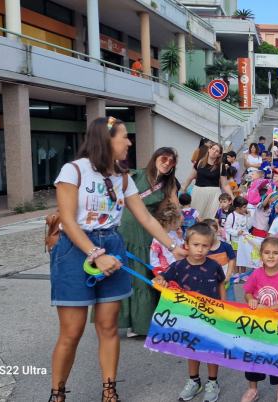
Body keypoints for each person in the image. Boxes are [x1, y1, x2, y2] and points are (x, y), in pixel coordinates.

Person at [49, 117, 180, 402]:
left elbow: (144, 215)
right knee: (72, 331)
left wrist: (173, 245)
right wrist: (96, 255)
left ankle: (109, 389)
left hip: (111, 242)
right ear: (106, 140)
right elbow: (68, 222)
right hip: (76, 248)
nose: (129, 143)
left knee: (108, 326)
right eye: (124, 137)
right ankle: (57, 393)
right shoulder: (73, 171)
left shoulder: (121, 176)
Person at [153, 223, 226, 402]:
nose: (200, 249)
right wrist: (161, 280)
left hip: (211, 316)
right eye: (196, 244)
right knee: (191, 349)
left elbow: (221, 284)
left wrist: (224, 307)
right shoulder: (178, 266)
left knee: (210, 349)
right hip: (188, 318)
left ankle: (212, 382)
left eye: (204, 246)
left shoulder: (214, 266)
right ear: (186, 244)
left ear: (210, 246)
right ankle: (194, 381)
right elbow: (161, 277)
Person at [116, 147, 182, 337]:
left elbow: (174, 209)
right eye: (164, 158)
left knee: (143, 277)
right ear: (155, 158)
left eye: (172, 161)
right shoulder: (135, 176)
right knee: (124, 275)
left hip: (146, 234)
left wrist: (179, 224)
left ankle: (140, 324)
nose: (167, 162)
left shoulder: (168, 186)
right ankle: (119, 320)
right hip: (125, 231)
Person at [241, 237, 278, 402]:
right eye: (267, 253)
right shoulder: (257, 273)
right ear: (261, 255)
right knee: (254, 355)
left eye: (275, 253)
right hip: (258, 325)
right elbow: (248, 292)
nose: (271, 256)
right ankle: (252, 389)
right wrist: (250, 299)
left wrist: (271, 309)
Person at [183, 142, 228, 219]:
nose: (214, 151)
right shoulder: (200, 162)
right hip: (198, 193)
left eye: (217, 151)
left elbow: (225, 185)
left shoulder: (221, 166)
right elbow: (190, 177)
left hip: (214, 195)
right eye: (213, 149)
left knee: (210, 219)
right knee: (195, 217)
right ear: (209, 150)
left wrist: (233, 197)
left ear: (219, 154)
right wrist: (183, 188)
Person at [148, 204, 184, 276]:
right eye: (179, 223)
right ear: (171, 223)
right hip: (164, 271)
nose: (180, 225)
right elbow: (153, 258)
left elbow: (180, 248)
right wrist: (159, 272)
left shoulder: (174, 233)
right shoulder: (157, 239)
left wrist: (180, 238)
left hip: (176, 268)